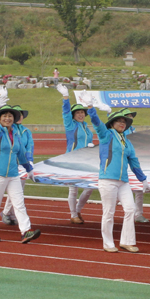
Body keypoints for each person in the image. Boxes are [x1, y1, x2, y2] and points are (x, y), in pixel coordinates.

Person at [86, 99, 150, 253]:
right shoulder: (106, 135)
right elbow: (97, 123)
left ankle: (127, 241)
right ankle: (108, 243)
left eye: (124, 122)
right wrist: (91, 108)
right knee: (109, 212)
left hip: (123, 181)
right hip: (107, 180)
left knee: (130, 209)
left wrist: (144, 180)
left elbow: (134, 162)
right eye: (119, 121)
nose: (122, 124)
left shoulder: (127, 142)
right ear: (112, 124)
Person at [0, 86, 41, 244]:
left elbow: (21, 154)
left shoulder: (16, 133)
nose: (7, 118)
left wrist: (29, 169)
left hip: (13, 175)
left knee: (19, 203)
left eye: (10, 116)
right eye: (4, 116)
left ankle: (25, 231)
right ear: (0, 119)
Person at [57, 84, 95, 224]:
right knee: (73, 190)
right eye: (78, 113)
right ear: (73, 115)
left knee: (89, 187)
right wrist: (66, 97)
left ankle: (78, 209)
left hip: (87, 161)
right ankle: (73, 214)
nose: (80, 114)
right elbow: (65, 112)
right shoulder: (70, 125)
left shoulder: (86, 126)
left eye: (82, 112)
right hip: (72, 160)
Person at [1, 105, 35, 225]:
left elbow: (29, 146)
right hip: (11, 163)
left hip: (23, 164)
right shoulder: (10, 130)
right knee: (16, 191)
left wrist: (29, 160)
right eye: (17, 114)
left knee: (18, 191)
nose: (20, 116)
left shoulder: (26, 131)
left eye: (21, 114)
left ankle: (10, 213)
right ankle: (6, 212)